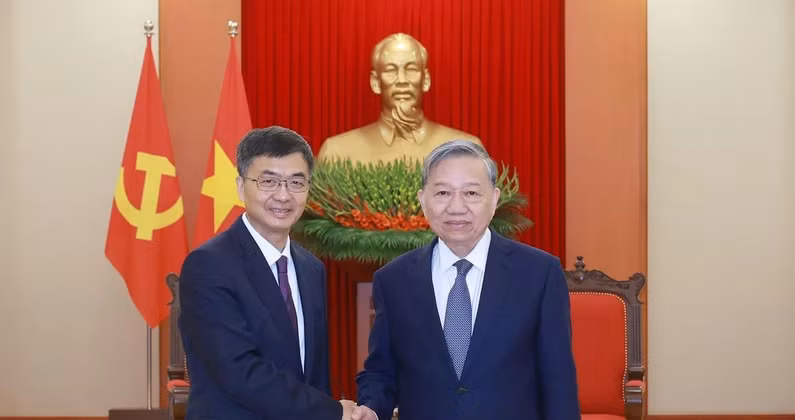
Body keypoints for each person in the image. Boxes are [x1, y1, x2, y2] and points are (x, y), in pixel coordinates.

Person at [351, 140, 580, 420]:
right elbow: (381, 372)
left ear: (494, 199)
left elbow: (558, 381)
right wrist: (371, 409)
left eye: (471, 193)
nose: (456, 207)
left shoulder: (539, 274)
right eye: (443, 193)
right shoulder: (393, 280)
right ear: (423, 200)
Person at [179, 126, 355, 420]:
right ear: (240, 186)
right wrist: (332, 411)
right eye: (268, 181)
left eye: (296, 182)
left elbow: (314, 374)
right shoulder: (208, 265)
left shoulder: (312, 269)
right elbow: (239, 373)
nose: (283, 196)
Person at [318, 33, 482, 165]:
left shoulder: (467, 151)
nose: (402, 80)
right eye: (391, 70)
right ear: (375, 82)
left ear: (426, 80)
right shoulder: (336, 153)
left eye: (411, 69)